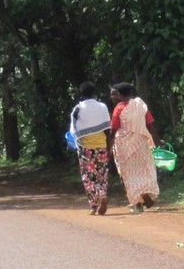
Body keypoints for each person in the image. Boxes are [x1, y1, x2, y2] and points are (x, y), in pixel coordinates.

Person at [109, 82, 161, 214]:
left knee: (128, 174)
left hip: (124, 146)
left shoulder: (119, 109)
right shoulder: (140, 105)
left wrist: (108, 147)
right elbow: (150, 125)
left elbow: (113, 130)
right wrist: (157, 140)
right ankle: (147, 193)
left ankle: (136, 203)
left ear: (120, 94)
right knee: (145, 170)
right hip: (141, 143)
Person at [69, 82, 112, 215]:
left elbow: (73, 129)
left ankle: (93, 206)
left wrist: (78, 143)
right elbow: (107, 129)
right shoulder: (102, 107)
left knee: (88, 176)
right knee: (102, 174)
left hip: (85, 148)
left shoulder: (78, 108)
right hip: (102, 146)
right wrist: (109, 147)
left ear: (81, 93)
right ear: (94, 92)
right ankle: (102, 193)